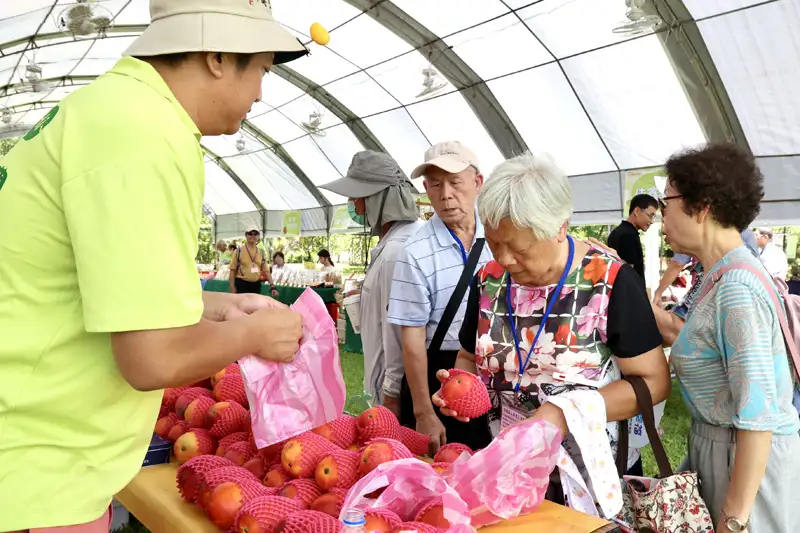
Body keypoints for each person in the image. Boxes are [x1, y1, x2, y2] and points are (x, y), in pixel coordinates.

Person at [0, 1, 307, 530]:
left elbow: (96, 285)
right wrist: (256, 333)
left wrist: (218, 306)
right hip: (36, 466)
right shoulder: (143, 133)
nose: (260, 91)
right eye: (261, 69)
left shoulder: (111, 110)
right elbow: (151, 359)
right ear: (217, 55)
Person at [431, 153, 671, 495]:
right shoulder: (488, 280)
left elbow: (654, 383)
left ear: (560, 227)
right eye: (494, 243)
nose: (504, 259)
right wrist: (461, 387)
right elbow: (469, 356)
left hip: (589, 474)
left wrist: (563, 414)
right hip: (509, 467)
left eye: (518, 248)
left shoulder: (608, 283)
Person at [661, 144, 800, 533]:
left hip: (743, 467)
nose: (662, 213)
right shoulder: (722, 275)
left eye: (667, 199)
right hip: (723, 456)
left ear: (701, 207)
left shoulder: (737, 286)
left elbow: (757, 419)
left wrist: (733, 521)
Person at [388, 141, 494, 452]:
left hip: (489, 367)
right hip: (439, 372)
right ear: (426, 189)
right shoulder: (415, 252)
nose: (446, 194)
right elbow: (411, 340)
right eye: (435, 184)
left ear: (477, 183)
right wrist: (424, 412)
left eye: (455, 182)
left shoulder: (499, 235)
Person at [320, 151, 425, 413]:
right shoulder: (404, 240)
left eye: (357, 197)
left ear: (377, 200)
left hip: (391, 389)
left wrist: (390, 392)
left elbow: (397, 331)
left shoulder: (396, 252)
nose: (353, 205)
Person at [607, 193, 659, 280]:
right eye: (651, 215)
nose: (652, 221)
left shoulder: (617, 231)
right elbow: (629, 273)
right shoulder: (629, 235)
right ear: (637, 211)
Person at [230, 226, 279, 297]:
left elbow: (266, 271)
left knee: (254, 307)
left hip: (256, 285)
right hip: (242, 284)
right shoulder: (238, 251)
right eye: (250, 233)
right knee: (244, 307)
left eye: (255, 234)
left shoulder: (261, 252)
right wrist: (232, 288)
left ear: (258, 236)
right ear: (246, 235)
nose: (253, 236)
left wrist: (272, 286)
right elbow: (232, 271)